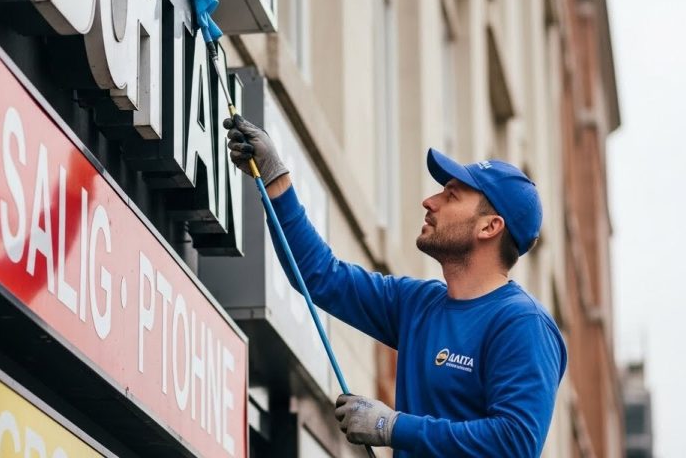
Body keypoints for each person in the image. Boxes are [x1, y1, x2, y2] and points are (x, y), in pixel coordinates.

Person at [224, 115, 567, 457]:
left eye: (452, 195)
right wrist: (274, 177)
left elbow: (514, 442)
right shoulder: (417, 304)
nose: (430, 202)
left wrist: (392, 426)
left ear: (489, 227)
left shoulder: (523, 323)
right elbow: (320, 276)